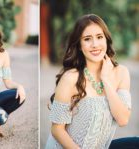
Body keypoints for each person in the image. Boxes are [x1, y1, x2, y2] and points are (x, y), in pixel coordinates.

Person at [45, 14, 131, 149]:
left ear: (106, 40)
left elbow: (123, 119)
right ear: (79, 45)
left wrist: (106, 80)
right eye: (87, 39)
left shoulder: (121, 72)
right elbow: (57, 130)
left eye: (99, 37)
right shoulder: (70, 78)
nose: (95, 44)